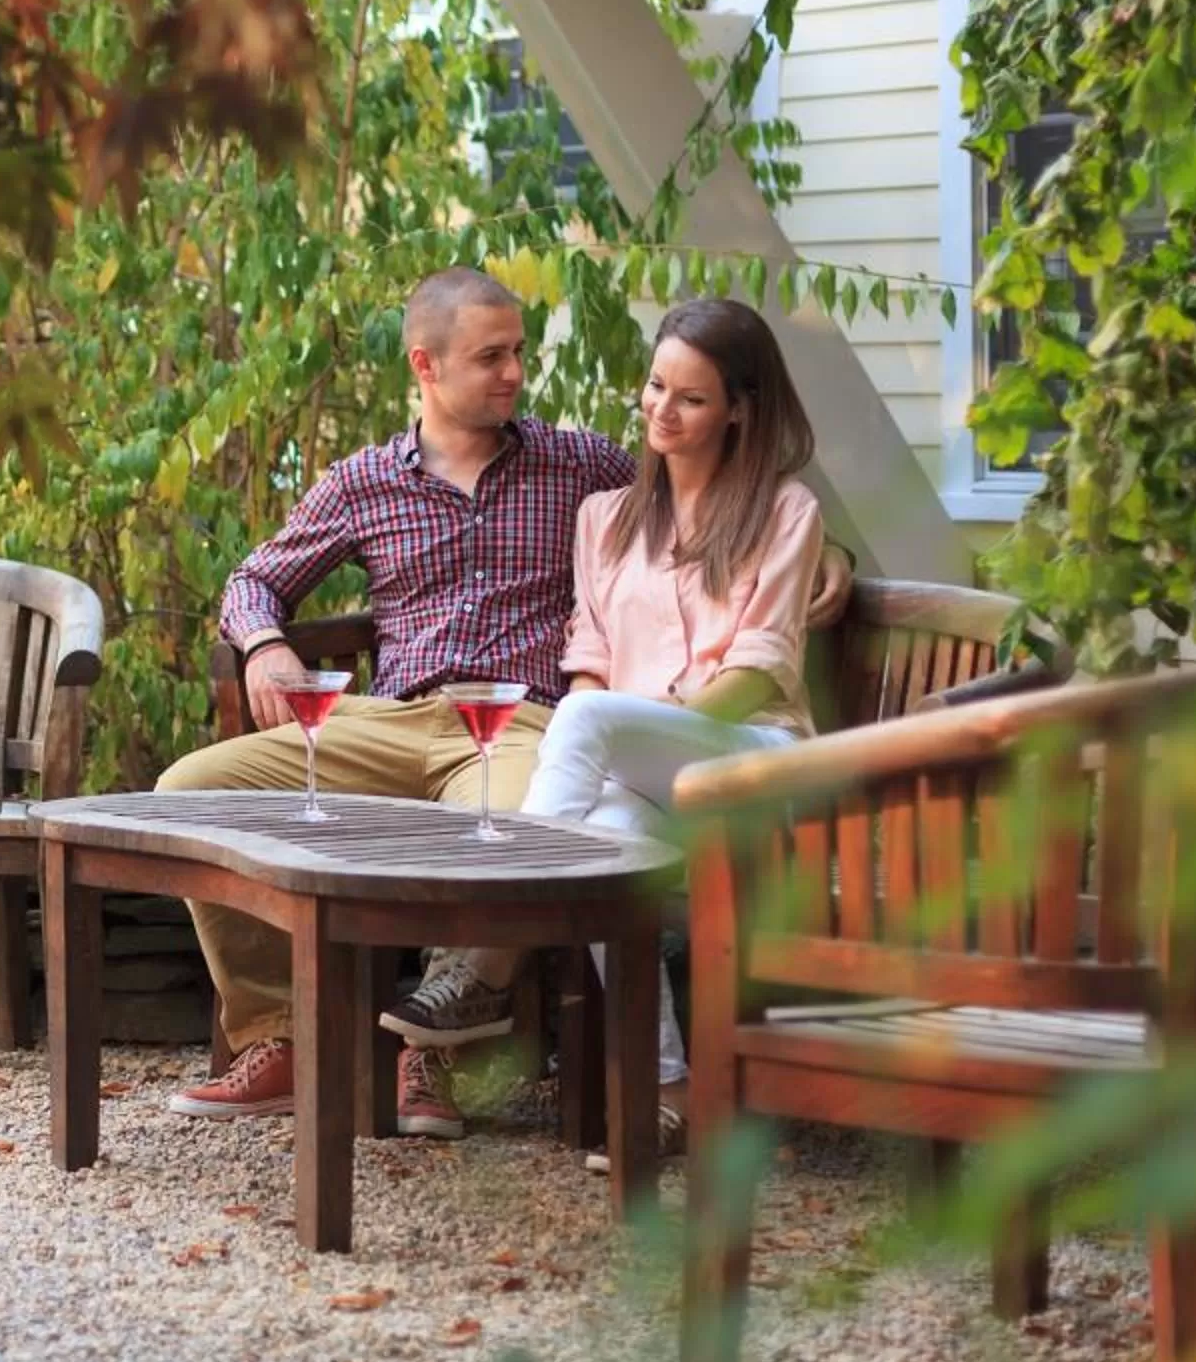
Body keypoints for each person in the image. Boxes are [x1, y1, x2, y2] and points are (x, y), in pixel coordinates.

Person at [161, 271, 848, 1137]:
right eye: (492, 357)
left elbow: (723, 491)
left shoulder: (578, 466)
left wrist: (835, 556)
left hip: (523, 725)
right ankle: (286, 1036)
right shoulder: (365, 482)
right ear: (426, 365)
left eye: (518, 352)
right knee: (191, 791)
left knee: (540, 818)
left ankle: (439, 1043)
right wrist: (264, 645)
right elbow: (254, 581)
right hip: (392, 721)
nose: (516, 373)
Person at [385, 296, 827, 1170]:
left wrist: (639, 732)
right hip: (642, 781)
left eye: (691, 399)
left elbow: (759, 669)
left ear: (739, 409)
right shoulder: (607, 518)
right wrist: (624, 745)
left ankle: (490, 953)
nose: (663, 410)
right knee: (605, 839)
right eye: (656, 387)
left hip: (749, 764)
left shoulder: (785, 511)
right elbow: (588, 659)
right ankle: (671, 1095)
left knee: (586, 721)